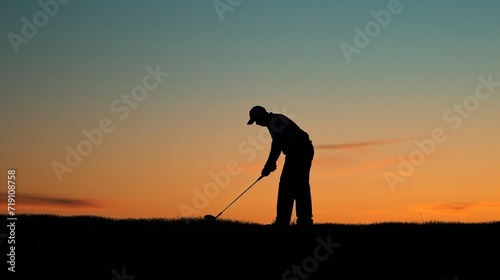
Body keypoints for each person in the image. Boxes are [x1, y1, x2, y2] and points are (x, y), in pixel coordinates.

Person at [247, 105, 314, 226]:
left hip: (300, 152)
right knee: (296, 185)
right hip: (298, 152)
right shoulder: (273, 121)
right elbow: (277, 143)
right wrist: (270, 164)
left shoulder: (275, 122)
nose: (256, 124)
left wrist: (269, 165)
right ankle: (299, 220)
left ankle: (287, 221)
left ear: (261, 116)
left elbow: (277, 145)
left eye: (256, 121)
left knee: (290, 185)